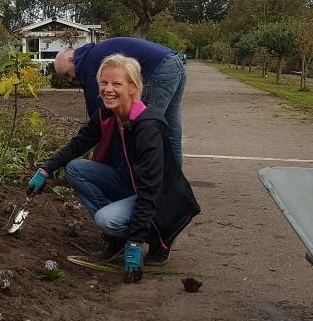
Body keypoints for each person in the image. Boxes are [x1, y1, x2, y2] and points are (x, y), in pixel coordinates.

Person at [28, 54, 200, 264]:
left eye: (116, 83)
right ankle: (116, 237)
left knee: (106, 219)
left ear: (133, 88)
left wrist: (135, 242)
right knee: (75, 168)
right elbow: (79, 143)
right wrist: (46, 169)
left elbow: (152, 188)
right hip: (130, 183)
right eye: (104, 83)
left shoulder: (147, 127)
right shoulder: (108, 114)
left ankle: (158, 239)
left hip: (162, 200)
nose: (108, 89)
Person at [53, 37, 186, 165]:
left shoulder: (86, 65)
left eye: (66, 74)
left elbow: (100, 114)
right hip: (174, 63)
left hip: (158, 70)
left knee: (142, 131)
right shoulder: (92, 54)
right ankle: (175, 184)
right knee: (171, 135)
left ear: (71, 60)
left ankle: (139, 184)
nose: (70, 79)